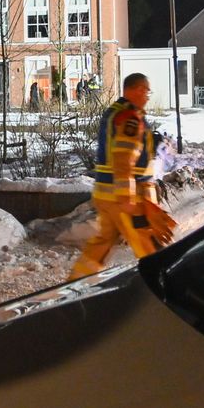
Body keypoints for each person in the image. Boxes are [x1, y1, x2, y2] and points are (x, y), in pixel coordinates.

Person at [68, 73, 159, 280]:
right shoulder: (130, 117)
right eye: (146, 91)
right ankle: (161, 289)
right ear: (136, 90)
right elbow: (123, 157)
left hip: (105, 193)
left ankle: (76, 284)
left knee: (102, 243)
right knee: (148, 245)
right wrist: (128, 197)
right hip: (125, 197)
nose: (147, 96)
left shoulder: (114, 112)